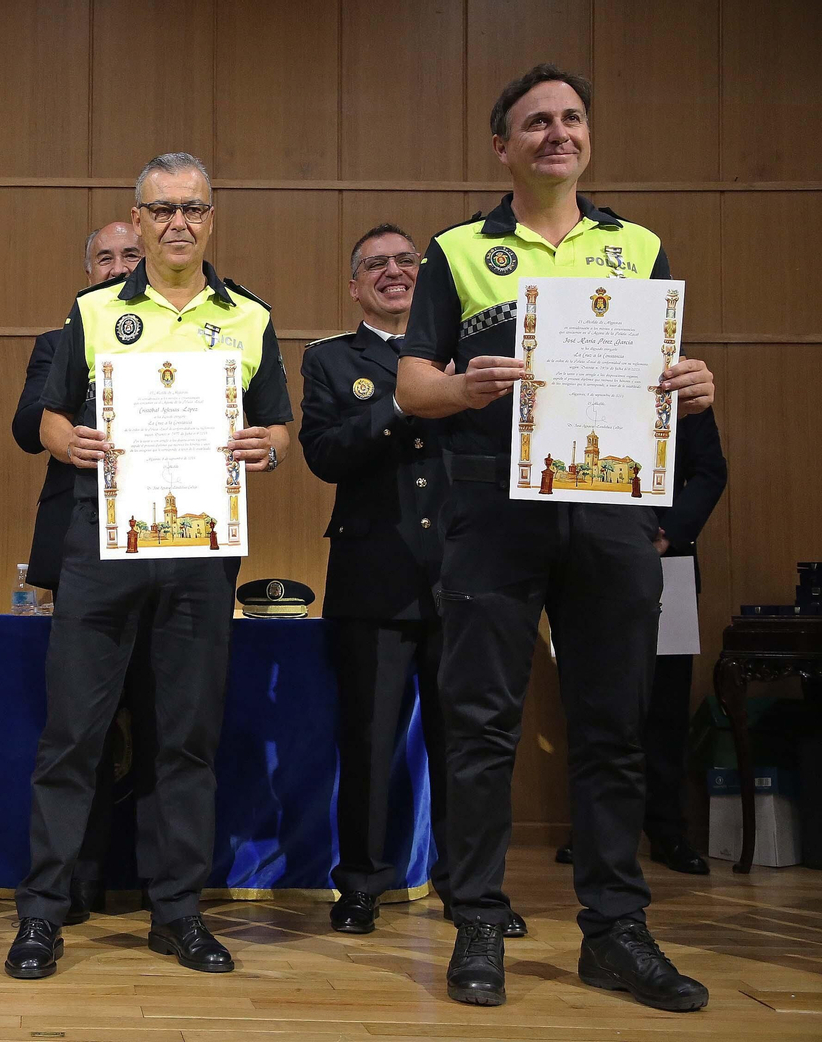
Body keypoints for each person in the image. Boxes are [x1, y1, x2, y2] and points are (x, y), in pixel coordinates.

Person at [396, 64, 716, 1012]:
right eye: (536, 122)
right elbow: (413, 383)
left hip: (613, 512)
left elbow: (661, 377)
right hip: (493, 514)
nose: (557, 133)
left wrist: (692, 384)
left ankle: (615, 932)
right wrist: (464, 388)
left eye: (572, 118)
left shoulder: (638, 247)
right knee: (481, 727)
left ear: (589, 137)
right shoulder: (458, 250)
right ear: (503, 146)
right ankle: (477, 921)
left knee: (614, 728)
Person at [5, 153, 294, 980]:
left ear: (211, 218)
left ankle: (178, 914)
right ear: (137, 219)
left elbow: (281, 427)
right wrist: (67, 440)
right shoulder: (93, 311)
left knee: (187, 741)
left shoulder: (250, 317)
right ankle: (42, 915)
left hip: (201, 556)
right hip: (102, 550)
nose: (177, 223)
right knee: (73, 737)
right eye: (162, 209)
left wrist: (268, 447)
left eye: (193, 209)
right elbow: (45, 418)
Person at [301, 224, 526, 939]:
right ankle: (361, 886)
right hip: (376, 578)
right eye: (376, 264)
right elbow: (325, 453)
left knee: (468, 743)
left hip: (469, 570)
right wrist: (404, 402)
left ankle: (470, 891)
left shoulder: (470, 354)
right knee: (368, 743)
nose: (394, 272)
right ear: (354, 285)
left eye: (407, 261)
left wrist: (452, 385)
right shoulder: (331, 360)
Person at [11, 222, 145, 923]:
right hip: (83, 546)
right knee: (83, 725)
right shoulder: (60, 342)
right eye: (105, 257)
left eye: (132, 255)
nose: (118, 267)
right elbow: (25, 424)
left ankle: (151, 883)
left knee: (157, 719)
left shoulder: (193, 336)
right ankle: (73, 882)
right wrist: (66, 431)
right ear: (87, 271)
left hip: (170, 548)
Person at [556, 407, 726, 874]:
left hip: (663, 556)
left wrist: (666, 535)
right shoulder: (577, 378)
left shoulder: (676, 379)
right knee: (589, 702)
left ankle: (667, 829)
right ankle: (592, 831)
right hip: (581, 556)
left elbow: (710, 471)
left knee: (665, 705)